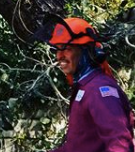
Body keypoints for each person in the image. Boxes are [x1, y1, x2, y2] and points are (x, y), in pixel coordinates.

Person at [45, 16, 134, 152]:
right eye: (57, 49)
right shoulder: (85, 87)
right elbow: (77, 146)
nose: (59, 56)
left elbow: (120, 144)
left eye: (66, 48)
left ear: (86, 51)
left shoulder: (98, 89)